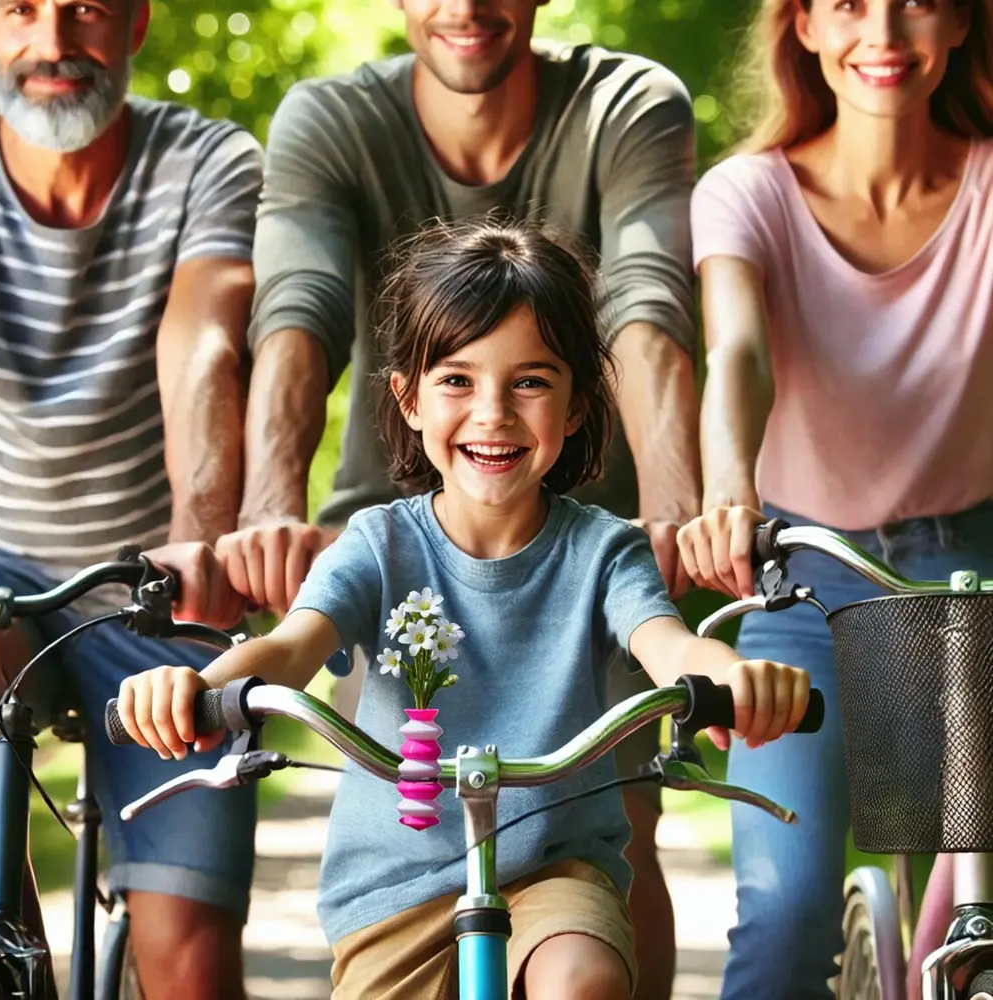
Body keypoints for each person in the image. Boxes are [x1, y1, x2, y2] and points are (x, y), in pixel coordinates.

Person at [118, 219, 811, 1000]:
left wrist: (736, 676)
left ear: (579, 404)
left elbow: (670, 645)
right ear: (408, 399)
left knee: (582, 981)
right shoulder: (376, 546)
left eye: (531, 382)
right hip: (395, 893)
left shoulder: (604, 552)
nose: (493, 413)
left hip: (557, 871)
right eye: (457, 380)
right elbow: (287, 650)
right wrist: (194, 685)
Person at [218, 4, 701, 991]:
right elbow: (297, 311)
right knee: (390, 752)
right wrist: (261, 533)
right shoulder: (334, 119)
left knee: (608, 876)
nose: (467, 4)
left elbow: (647, 308)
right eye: (456, 382)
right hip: (398, 874)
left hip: (584, 549)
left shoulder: (624, 101)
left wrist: (678, 520)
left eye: (528, 380)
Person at [675, 0, 993, 996]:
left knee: (972, 897)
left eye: (917, 4)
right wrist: (726, 493)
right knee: (785, 911)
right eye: (851, 6)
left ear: (958, 26)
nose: (885, 35)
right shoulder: (747, 194)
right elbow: (735, 354)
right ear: (804, 26)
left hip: (965, 572)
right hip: (799, 583)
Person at [0, 1, 262, 996]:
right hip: (0, 563)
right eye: (20, 8)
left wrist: (199, 544)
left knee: (188, 959)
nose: (53, 40)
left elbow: (203, 343)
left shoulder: (206, 159)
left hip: (156, 579)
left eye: (86, 9)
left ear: (138, 22)